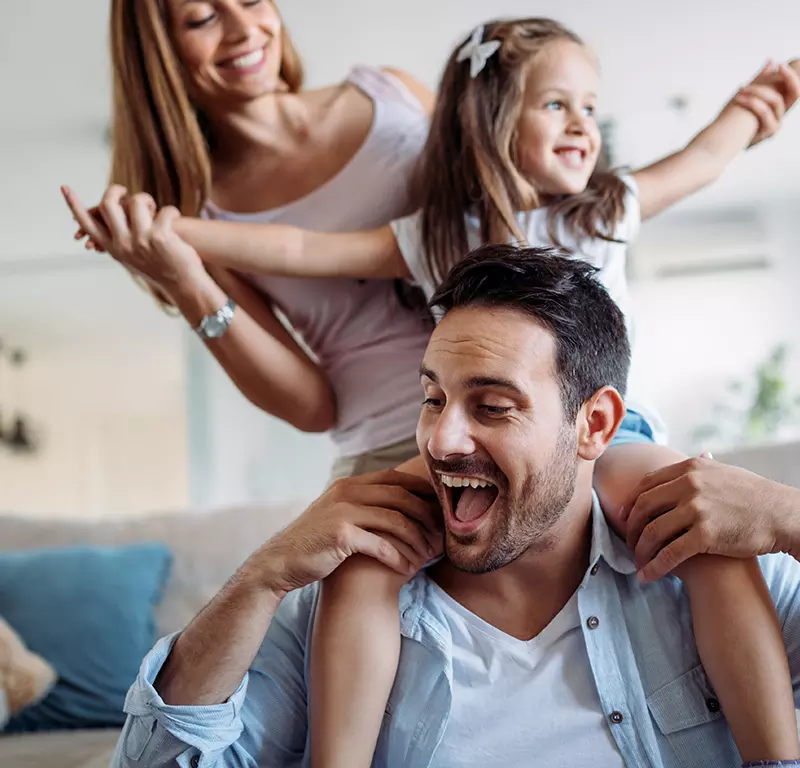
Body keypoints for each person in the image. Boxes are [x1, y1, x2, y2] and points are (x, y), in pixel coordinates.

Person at [66, 20, 800, 765]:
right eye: (556, 105)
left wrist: (754, 107)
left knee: (702, 534)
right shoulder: (436, 233)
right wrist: (171, 238)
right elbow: (296, 250)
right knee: (367, 561)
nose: (582, 123)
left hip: (630, 435)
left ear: (590, 420)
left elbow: (704, 159)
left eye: (493, 404)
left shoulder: (605, 209)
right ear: (493, 123)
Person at [109, 245, 800, 767]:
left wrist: (790, 515)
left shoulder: (702, 565)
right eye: (433, 398)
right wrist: (260, 577)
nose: (441, 438)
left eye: (493, 406)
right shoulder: (337, 608)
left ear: (594, 426)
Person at [64, 0, 437, 484]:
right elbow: (312, 408)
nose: (244, 30)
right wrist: (185, 280)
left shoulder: (396, 95)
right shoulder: (199, 219)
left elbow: (502, 222)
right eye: (203, 18)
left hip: (525, 405)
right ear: (159, 51)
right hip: (391, 449)